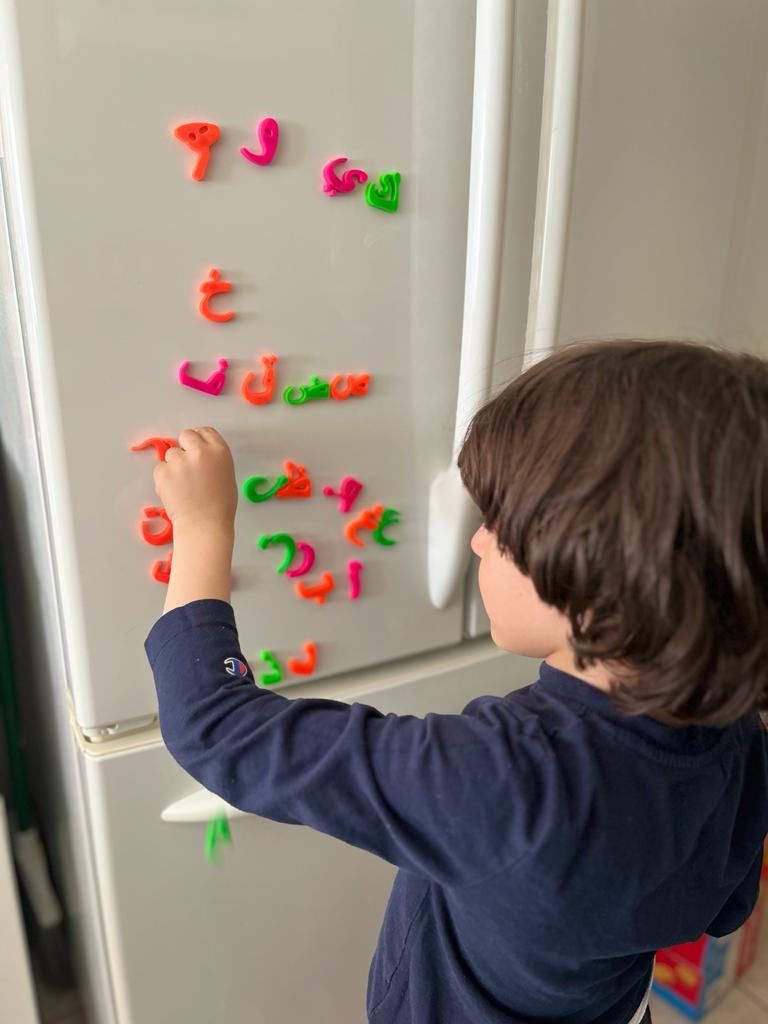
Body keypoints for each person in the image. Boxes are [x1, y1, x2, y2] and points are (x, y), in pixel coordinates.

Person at [145, 339, 768, 1024]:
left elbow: (214, 726)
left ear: (602, 589)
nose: (475, 540)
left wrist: (202, 527)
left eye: (502, 530)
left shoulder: (503, 779)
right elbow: (727, 904)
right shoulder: (735, 733)